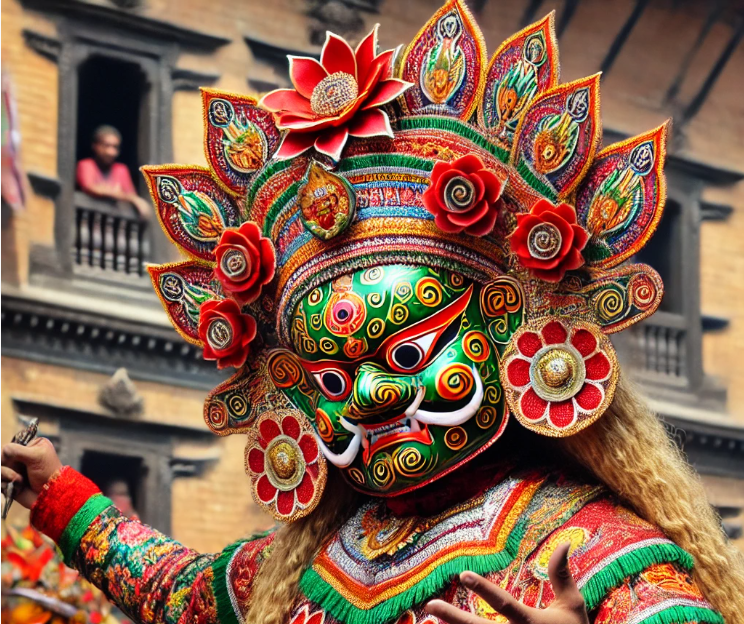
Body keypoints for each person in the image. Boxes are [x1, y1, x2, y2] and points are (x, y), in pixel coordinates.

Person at [3, 4, 744, 624]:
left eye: (409, 355)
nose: (368, 398)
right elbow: (179, 589)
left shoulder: (585, 551)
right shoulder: (315, 563)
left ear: (504, 326)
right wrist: (60, 496)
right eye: (331, 380)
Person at [76, 125, 151, 219]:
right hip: (88, 219)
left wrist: (131, 197)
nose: (111, 152)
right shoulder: (86, 164)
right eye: (106, 146)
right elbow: (91, 187)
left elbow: (131, 193)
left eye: (115, 147)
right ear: (95, 146)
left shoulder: (121, 169)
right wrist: (122, 195)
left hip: (114, 223)